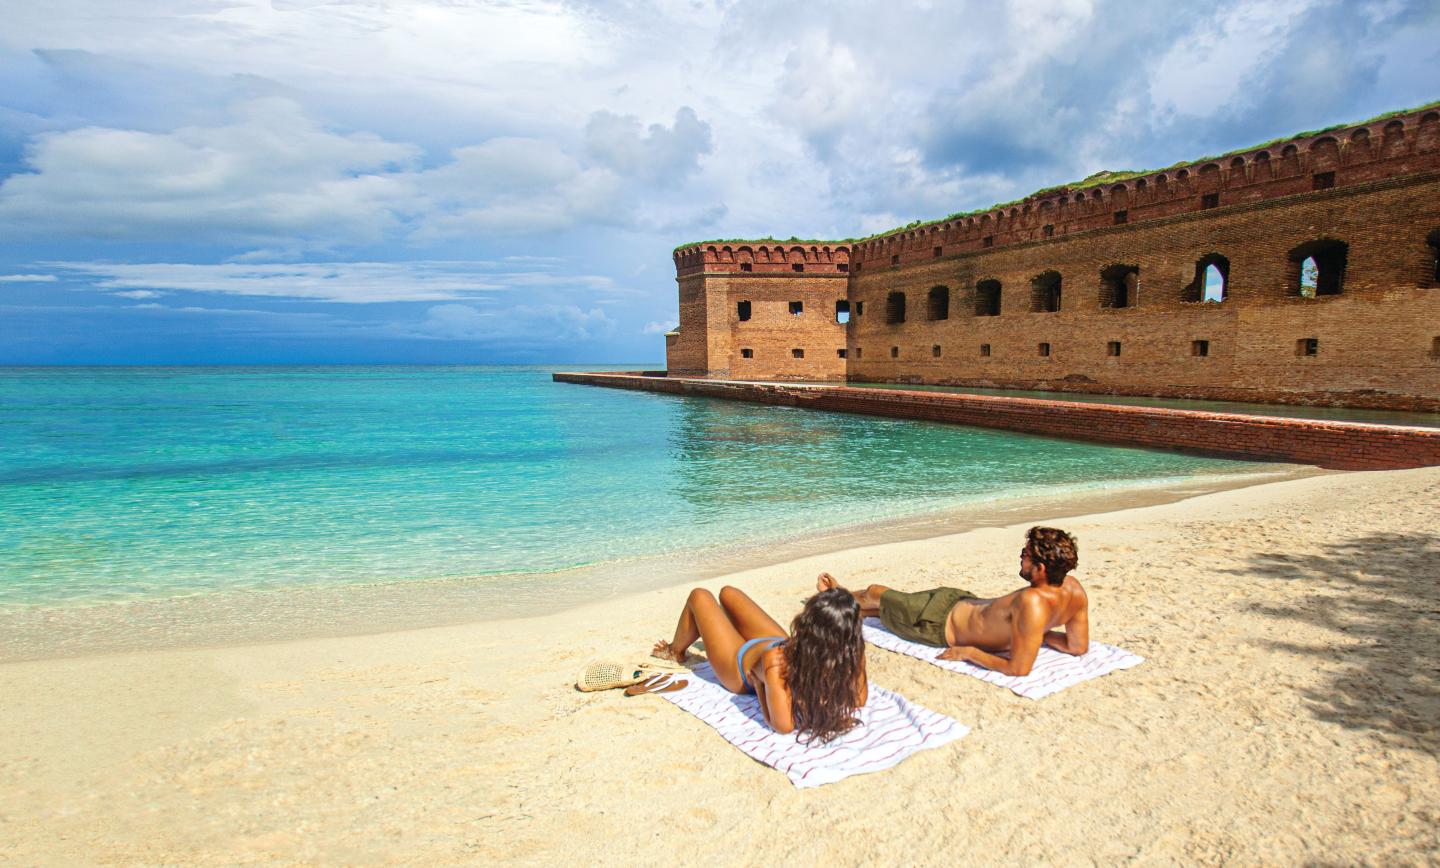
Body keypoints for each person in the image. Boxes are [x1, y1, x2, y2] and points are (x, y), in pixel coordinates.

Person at [817, 526, 1088, 678]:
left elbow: (1018, 668)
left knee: (875, 592)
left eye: (1024, 554)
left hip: (934, 622)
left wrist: (969, 653)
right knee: (880, 609)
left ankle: (838, 596)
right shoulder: (1074, 590)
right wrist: (1039, 634)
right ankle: (855, 608)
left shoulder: (1033, 604)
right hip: (959, 601)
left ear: (1040, 569)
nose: (1020, 558)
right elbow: (1077, 646)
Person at [652, 585, 867, 741]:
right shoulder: (852, 655)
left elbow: (782, 726)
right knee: (728, 593)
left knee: (699, 596)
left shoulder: (777, 664)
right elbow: (859, 698)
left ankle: (675, 651)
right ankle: (724, 629)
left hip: (738, 665)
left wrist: (758, 685)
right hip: (776, 642)